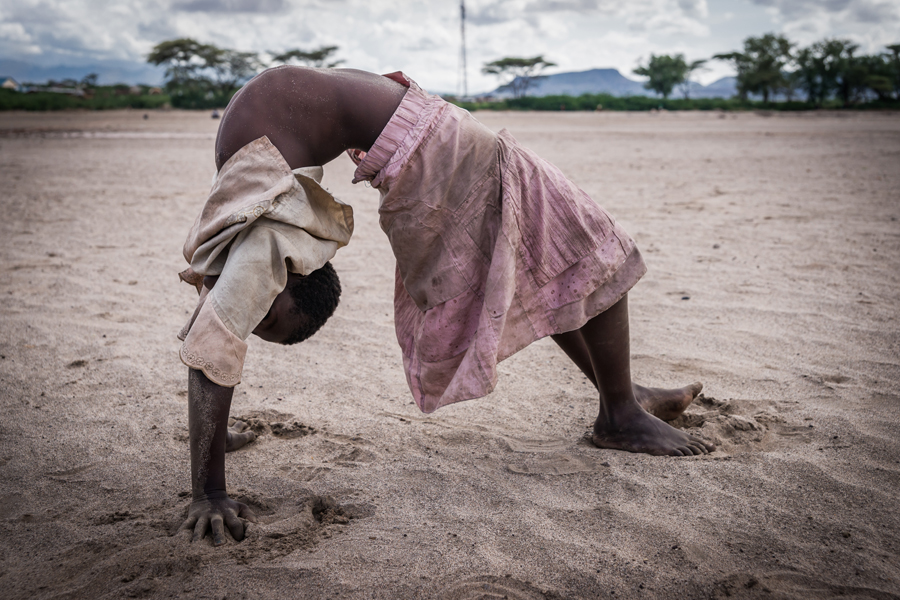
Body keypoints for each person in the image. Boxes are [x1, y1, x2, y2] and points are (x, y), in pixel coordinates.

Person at [178, 66, 714, 546]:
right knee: (568, 249)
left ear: (295, 268)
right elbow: (216, 337)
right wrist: (211, 453)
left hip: (427, 146)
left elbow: (212, 340)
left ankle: (620, 395)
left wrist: (209, 487)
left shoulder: (257, 241)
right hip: (423, 141)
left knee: (559, 251)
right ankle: (619, 409)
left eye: (266, 313)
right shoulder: (254, 224)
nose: (258, 306)